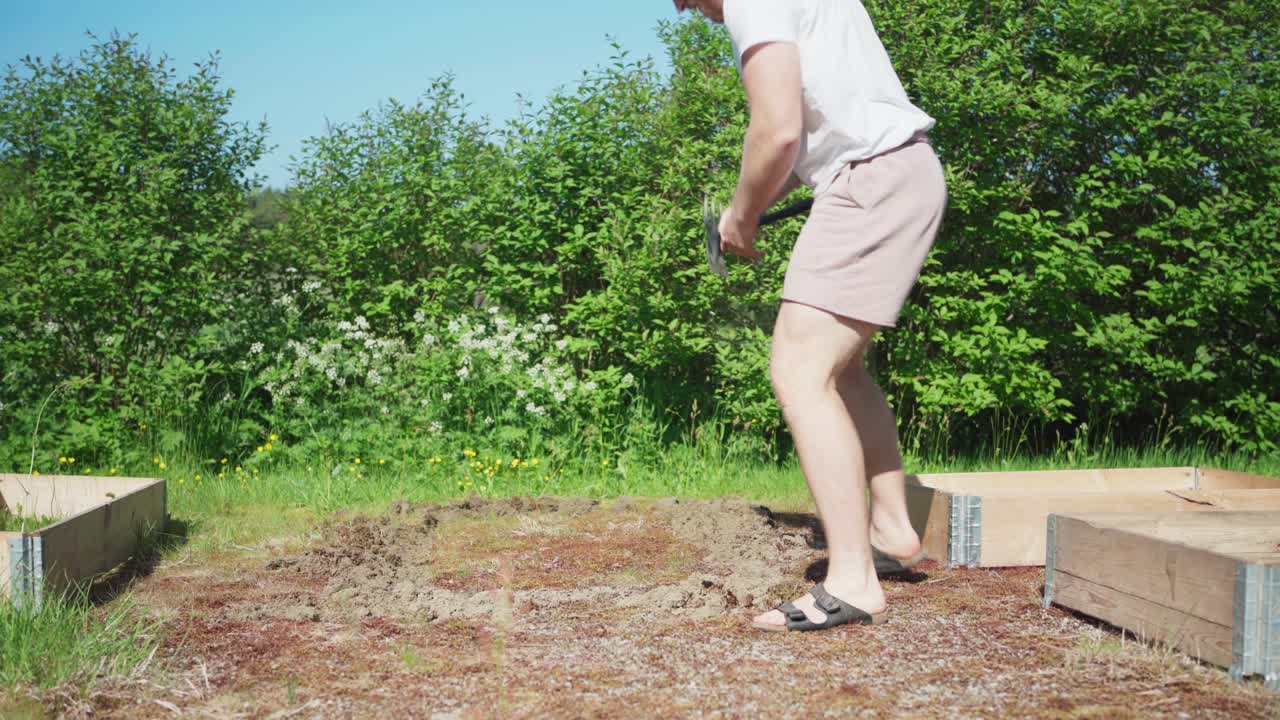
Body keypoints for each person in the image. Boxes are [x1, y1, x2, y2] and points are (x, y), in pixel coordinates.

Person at [672, 0, 948, 632]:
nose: (688, 9)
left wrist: (741, 216)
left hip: (870, 184)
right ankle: (894, 531)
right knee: (842, 370)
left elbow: (777, 132)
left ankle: (853, 580)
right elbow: (813, 138)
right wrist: (746, 202)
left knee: (800, 372)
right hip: (902, 170)